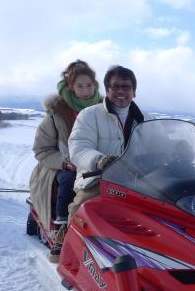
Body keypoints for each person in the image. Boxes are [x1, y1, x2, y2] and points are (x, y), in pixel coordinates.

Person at [29, 60, 102, 242]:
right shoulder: (57, 113)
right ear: (71, 87)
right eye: (80, 86)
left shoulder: (103, 109)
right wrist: (64, 163)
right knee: (69, 180)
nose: (85, 91)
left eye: (89, 85)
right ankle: (61, 227)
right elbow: (41, 149)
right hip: (63, 165)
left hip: (96, 163)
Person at [68, 65, 150, 224]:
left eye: (126, 87)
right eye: (115, 86)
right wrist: (99, 160)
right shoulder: (90, 115)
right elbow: (78, 147)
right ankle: (67, 236)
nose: (121, 91)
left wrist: (178, 150)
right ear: (107, 90)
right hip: (97, 179)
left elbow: (158, 144)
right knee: (81, 210)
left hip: (138, 181)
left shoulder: (146, 119)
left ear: (134, 92)